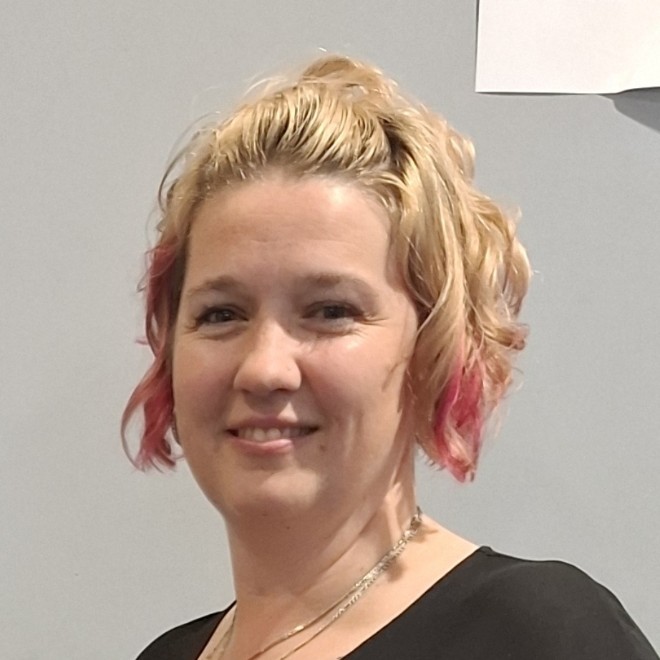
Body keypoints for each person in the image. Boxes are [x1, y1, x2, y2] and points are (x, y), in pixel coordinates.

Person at [123, 55, 658, 659]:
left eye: (330, 311)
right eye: (221, 314)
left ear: (433, 346)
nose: (264, 368)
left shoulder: (538, 637)